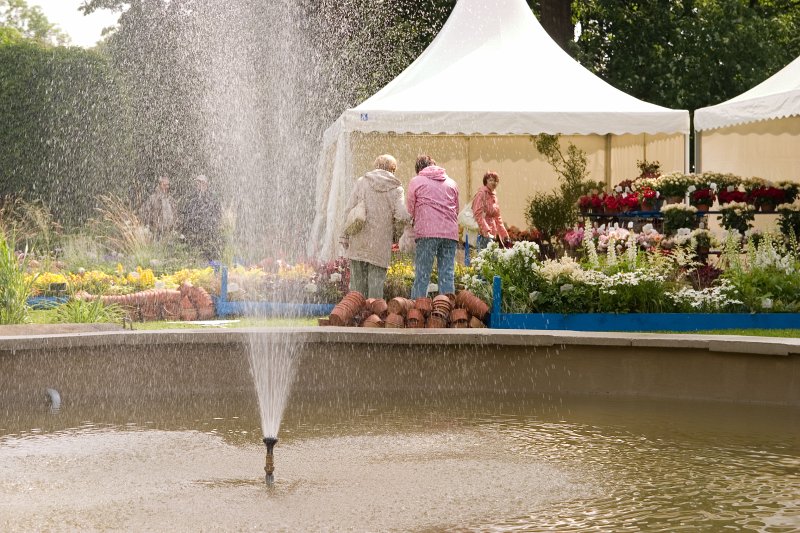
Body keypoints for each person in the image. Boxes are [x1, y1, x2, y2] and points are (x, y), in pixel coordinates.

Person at [341, 154, 410, 298]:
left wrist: (344, 236)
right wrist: (396, 234)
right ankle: (372, 317)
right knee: (375, 287)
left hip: (358, 240)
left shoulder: (362, 182)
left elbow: (348, 209)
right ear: (393, 169)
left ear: (376, 165)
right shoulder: (396, 189)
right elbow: (403, 215)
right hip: (380, 244)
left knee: (356, 288)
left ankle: (356, 316)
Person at [406, 155, 459, 299]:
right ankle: (446, 310)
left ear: (419, 168)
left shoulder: (416, 181)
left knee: (422, 274)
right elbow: (456, 210)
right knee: (447, 274)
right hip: (450, 234)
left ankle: (417, 312)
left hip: (427, 233)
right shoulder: (451, 183)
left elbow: (409, 210)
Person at [181, 174, 222, 260]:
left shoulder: (212, 197)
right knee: (195, 254)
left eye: (202, 183)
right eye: (198, 183)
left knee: (208, 254)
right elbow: (187, 212)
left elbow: (218, 213)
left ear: (206, 184)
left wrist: (213, 224)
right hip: (194, 232)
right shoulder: (192, 197)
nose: (200, 186)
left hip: (208, 231)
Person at [473, 171, 510, 251]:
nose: (494, 183)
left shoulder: (494, 195)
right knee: (484, 259)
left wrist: (504, 234)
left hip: (492, 233)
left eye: (496, 181)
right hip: (482, 232)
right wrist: (485, 230)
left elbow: (497, 217)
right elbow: (477, 214)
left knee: (491, 259)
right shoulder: (481, 193)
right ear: (485, 181)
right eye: (491, 180)